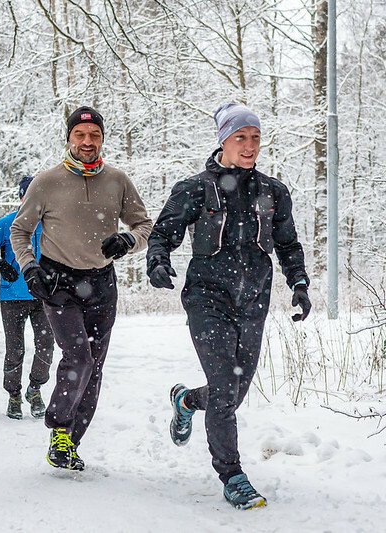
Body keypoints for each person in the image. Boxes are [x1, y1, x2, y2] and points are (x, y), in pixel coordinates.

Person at [146, 103, 311, 510]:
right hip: (207, 298)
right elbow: (162, 234)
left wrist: (300, 284)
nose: (250, 145)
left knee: (232, 393)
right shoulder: (195, 188)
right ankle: (232, 474)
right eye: (241, 137)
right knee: (224, 385)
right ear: (223, 140)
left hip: (253, 300)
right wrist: (158, 261)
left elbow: (288, 244)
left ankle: (186, 401)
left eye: (255, 137)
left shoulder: (273, 191)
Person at [11, 106, 152, 471]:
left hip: (102, 283)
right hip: (59, 283)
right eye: (80, 135)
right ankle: (59, 427)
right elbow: (19, 231)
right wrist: (30, 268)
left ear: (102, 139)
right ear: (69, 138)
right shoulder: (46, 181)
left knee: (95, 365)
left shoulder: (117, 180)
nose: (87, 142)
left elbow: (144, 227)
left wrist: (127, 242)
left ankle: (69, 444)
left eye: (94, 136)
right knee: (79, 358)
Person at [0, 175, 54, 420]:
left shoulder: (52, 226)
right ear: (21, 198)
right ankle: (14, 395)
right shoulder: (7, 224)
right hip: (12, 296)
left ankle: (35, 388)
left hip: (44, 296)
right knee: (15, 348)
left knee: (46, 346)